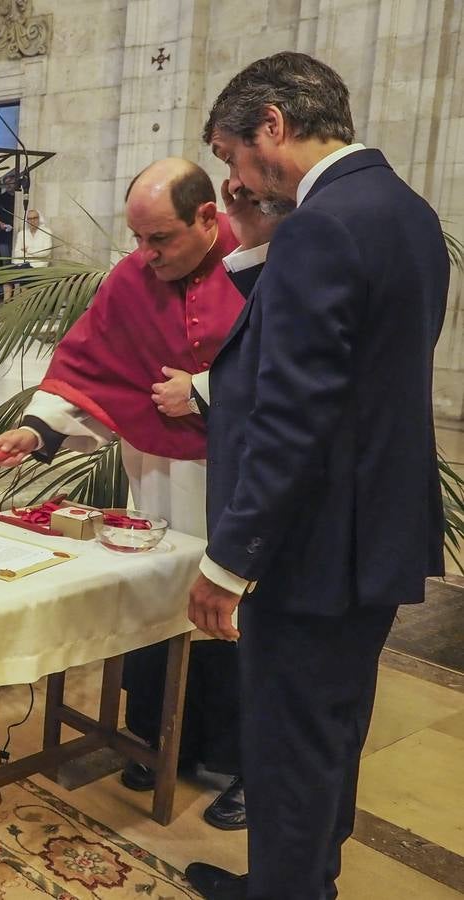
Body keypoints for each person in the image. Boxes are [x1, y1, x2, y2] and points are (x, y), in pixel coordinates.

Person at [183, 52, 449, 900]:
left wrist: (230, 559)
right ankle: (298, 885)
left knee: (288, 743)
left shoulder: (322, 226)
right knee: (330, 731)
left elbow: (291, 411)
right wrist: (264, 239)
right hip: (373, 529)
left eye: (231, 154)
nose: (232, 178)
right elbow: (353, 361)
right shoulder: (402, 210)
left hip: (312, 541)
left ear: (273, 126)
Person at [0, 158, 271, 830]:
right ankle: (156, 740)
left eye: (160, 240)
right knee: (156, 600)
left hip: (240, 480)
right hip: (160, 480)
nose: (145, 255)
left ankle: (239, 765)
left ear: (208, 218)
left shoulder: (262, 265)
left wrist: (200, 391)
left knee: (233, 615)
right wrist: (36, 431)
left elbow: (287, 370)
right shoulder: (131, 279)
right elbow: (92, 362)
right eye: (137, 238)